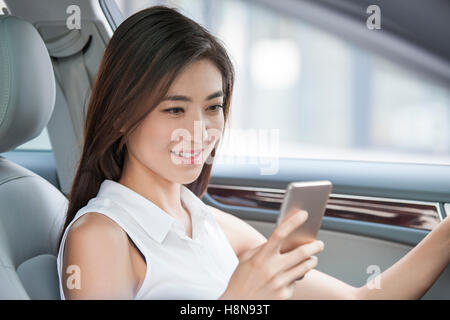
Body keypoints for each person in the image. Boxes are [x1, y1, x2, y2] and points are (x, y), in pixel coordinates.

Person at [57, 5, 450, 300]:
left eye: (213, 107)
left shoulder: (211, 225)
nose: (201, 130)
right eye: (174, 109)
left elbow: (363, 299)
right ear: (123, 116)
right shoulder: (101, 236)